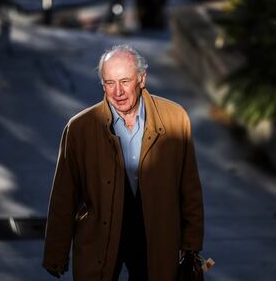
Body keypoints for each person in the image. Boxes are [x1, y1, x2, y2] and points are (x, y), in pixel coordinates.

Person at [43, 45, 204, 280]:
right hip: (100, 235)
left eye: (125, 81)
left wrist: (191, 244)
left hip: (155, 237)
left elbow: (189, 188)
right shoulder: (79, 128)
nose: (118, 92)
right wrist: (55, 254)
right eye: (109, 83)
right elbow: (63, 195)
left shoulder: (175, 118)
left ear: (142, 79)